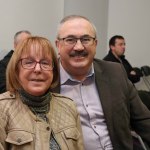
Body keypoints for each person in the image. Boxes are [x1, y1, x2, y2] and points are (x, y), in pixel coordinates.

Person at [53, 15, 150, 150]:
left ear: (96, 44)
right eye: (70, 40)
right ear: (58, 45)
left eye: (86, 39)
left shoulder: (115, 72)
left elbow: (143, 120)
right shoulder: (47, 80)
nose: (79, 47)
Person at [0, 36, 84, 150]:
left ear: (53, 71)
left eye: (45, 63)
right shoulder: (2, 109)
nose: (38, 69)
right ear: (16, 70)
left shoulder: (69, 106)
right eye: (29, 62)